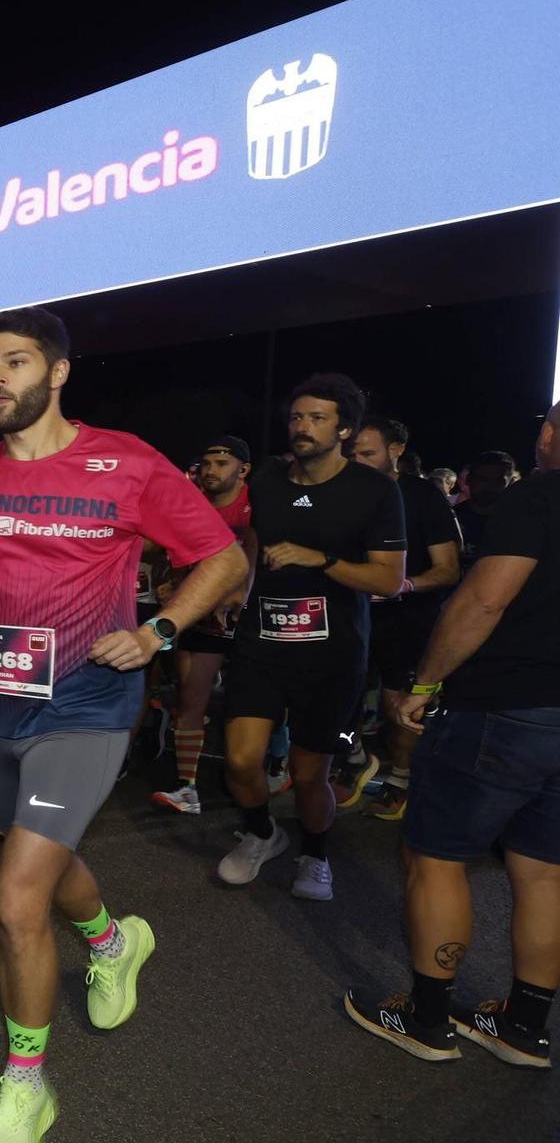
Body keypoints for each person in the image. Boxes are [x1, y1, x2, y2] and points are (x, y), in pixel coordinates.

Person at [0, 308, 245, 1143]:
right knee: (46, 854)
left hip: (87, 703)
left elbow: (223, 559)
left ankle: (26, 1086)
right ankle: (111, 939)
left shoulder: (128, 462)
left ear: (57, 372)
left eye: (16, 362)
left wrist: (160, 632)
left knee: (17, 897)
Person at [345, 402, 560, 1067]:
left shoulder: (542, 494)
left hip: (503, 704)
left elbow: (484, 598)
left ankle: (428, 1016)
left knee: (436, 857)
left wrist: (428, 681)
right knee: (545, 872)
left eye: (552, 422)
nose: (540, 434)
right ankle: (523, 1025)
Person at [217, 374, 406, 901]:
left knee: (306, 774)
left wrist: (319, 559)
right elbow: (254, 545)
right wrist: (241, 588)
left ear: (343, 429)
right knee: (240, 759)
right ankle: (261, 834)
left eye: (317, 418)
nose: (303, 427)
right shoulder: (271, 483)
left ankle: (315, 854)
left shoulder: (375, 490)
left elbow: (389, 580)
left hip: (332, 652)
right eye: (297, 417)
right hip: (262, 641)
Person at [349, 416, 464, 820]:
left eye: (368, 453)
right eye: (352, 453)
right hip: (351, 615)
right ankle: (355, 760)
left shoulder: (422, 496)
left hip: (409, 619)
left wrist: (402, 586)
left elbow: (449, 569)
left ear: (395, 451)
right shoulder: (342, 493)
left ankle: (400, 780)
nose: (357, 461)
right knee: (335, 695)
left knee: (397, 702)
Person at [151, 436, 257, 815]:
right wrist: (173, 583)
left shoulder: (256, 504)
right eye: (207, 463)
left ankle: (274, 767)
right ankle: (188, 788)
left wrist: (242, 591)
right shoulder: (192, 501)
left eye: (222, 464)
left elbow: (256, 554)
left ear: (243, 470)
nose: (211, 471)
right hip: (202, 615)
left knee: (260, 704)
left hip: (252, 620)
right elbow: (179, 549)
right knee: (191, 696)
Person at [455, 450, 519, 568]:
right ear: (468, 480)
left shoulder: (519, 523)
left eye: (498, 480)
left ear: (510, 483)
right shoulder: (450, 519)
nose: (490, 486)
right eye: (482, 479)